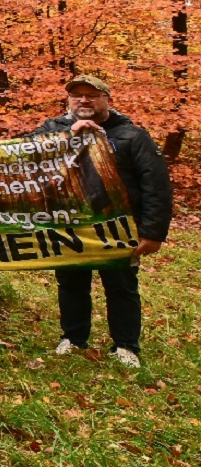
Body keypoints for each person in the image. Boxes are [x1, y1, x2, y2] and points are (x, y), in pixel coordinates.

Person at [34, 75, 172, 368]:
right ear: (69, 100)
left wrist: (153, 233)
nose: (84, 100)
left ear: (106, 99)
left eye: (92, 95)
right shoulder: (51, 130)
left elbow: (156, 185)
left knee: (121, 286)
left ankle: (125, 346)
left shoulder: (133, 136)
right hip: (70, 223)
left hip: (119, 226)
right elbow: (21, 154)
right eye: (77, 95)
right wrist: (69, 135)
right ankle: (73, 339)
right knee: (71, 284)